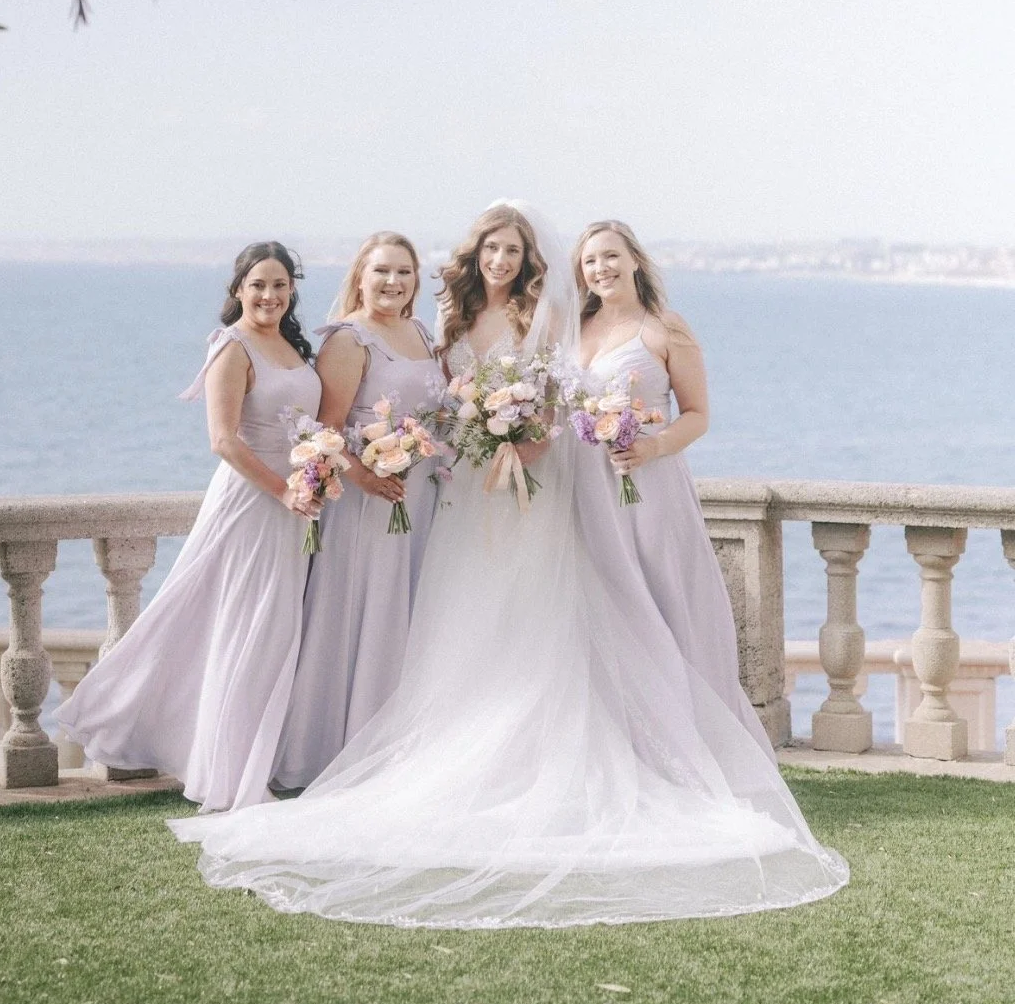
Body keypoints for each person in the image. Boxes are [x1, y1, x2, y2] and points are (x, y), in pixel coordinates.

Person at [170, 205, 848, 927]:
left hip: (530, 487)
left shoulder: (547, 318)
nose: (501, 259)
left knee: (536, 614)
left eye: (514, 250)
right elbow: (429, 397)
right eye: (491, 247)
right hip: (460, 491)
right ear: (476, 254)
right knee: (458, 616)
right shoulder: (448, 320)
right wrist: (468, 436)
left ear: (531, 262)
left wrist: (519, 443)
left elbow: (556, 400)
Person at [57, 242, 322, 813]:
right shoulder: (232, 347)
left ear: (292, 290)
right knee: (242, 629)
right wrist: (284, 491)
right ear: (238, 290)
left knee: (275, 633)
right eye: (257, 285)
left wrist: (316, 473)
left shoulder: (294, 347)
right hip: (254, 505)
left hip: (294, 507)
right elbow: (224, 439)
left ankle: (254, 759)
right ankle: (228, 773)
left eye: (279, 285)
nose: (269, 295)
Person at [572, 220, 771, 744]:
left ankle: (679, 733)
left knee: (656, 597)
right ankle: (612, 737)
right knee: (599, 604)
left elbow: (698, 414)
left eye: (611, 256)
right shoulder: (573, 328)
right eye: (591, 261)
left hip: (647, 488)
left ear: (635, 260)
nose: (602, 269)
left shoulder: (665, 327)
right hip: (584, 488)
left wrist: (651, 447)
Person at [272, 233, 443, 789]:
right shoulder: (348, 340)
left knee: (408, 613)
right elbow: (329, 426)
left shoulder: (420, 332)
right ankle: (334, 750)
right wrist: (370, 475)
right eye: (381, 272)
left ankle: (397, 747)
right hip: (369, 502)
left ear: (416, 279)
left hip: (419, 496)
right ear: (360, 278)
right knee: (362, 612)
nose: (392, 282)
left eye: (403, 272)